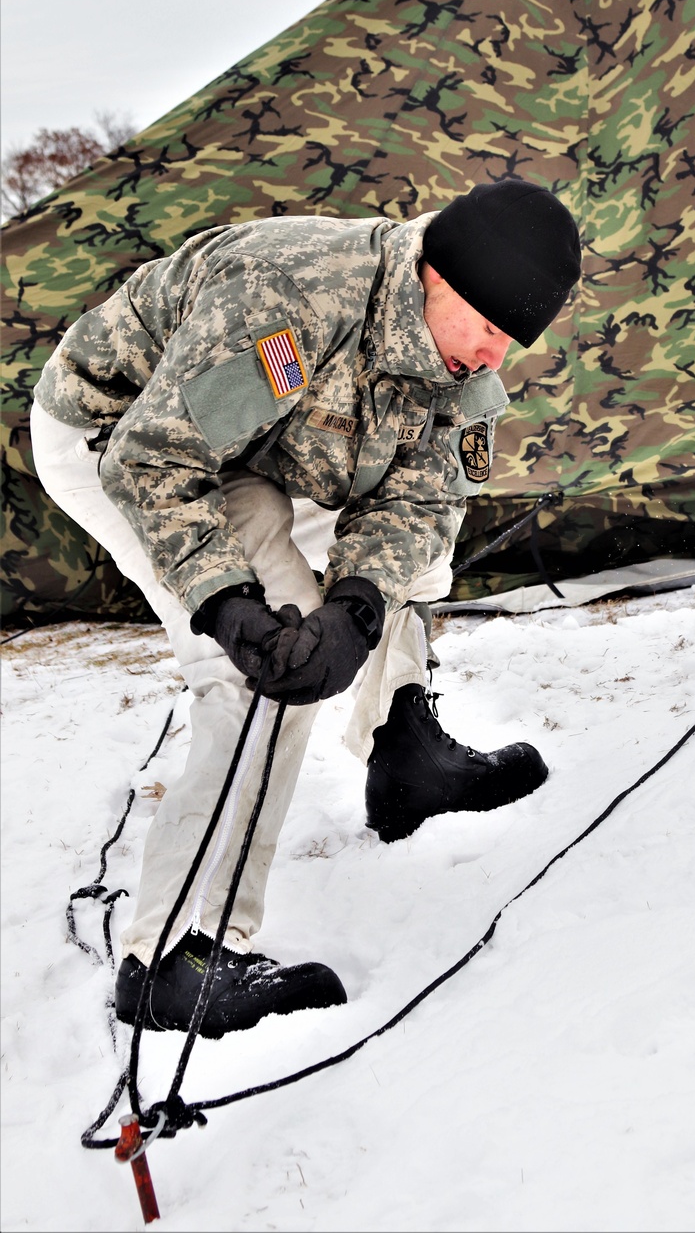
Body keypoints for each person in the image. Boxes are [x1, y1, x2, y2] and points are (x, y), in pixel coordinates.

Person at [30, 177, 581, 1037]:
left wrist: (358, 610)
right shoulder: (292, 294)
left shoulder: (451, 352)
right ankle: (171, 956)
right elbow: (155, 463)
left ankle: (402, 747)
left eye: (512, 341)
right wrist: (226, 606)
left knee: (409, 559)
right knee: (263, 660)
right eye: (489, 330)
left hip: (269, 441)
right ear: (439, 278)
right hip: (124, 433)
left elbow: (421, 499)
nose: (494, 357)